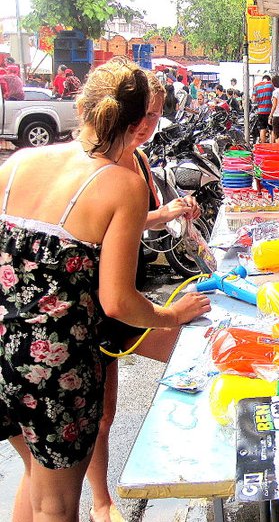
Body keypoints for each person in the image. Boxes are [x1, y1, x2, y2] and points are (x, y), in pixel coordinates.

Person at [0, 56, 210, 522]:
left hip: (1, 353)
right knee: (54, 503)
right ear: (137, 122)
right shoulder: (120, 184)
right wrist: (172, 315)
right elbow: (118, 301)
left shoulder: (18, 161)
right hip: (53, 364)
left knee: (35, 475)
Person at [84, 71, 201, 522]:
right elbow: (115, 297)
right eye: (142, 114)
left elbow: (130, 224)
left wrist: (165, 213)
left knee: (106, 412)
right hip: (102, 303)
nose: (149, 123)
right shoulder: (97, 166)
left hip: (122, 295)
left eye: (155, 114)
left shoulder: (141, 162)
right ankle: (101, 502)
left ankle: (107, 498)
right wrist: (171, 314)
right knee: (98, 416)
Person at [252, 74, 273, 144]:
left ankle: (263, 145)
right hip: (270, 111)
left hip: (260, 111)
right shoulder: (271, 85)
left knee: (262, 128)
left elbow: (254, 99)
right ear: (269, 79)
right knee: (272, 129)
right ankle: (271, 145)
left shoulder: (256, 86)